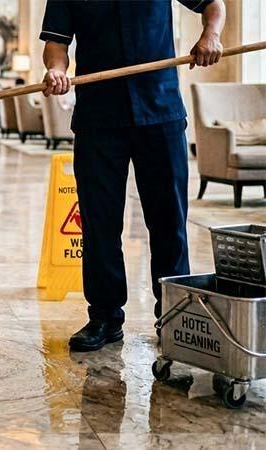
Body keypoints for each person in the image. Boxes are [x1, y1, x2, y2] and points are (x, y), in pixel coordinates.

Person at [40, 0, 226, 351]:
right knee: (99, 223)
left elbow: (214, 4)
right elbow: (56, 44)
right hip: (99, 117)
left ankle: (173, 314)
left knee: (169, 221)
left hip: (160, 111)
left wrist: (211, 36)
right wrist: (56, 70)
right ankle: (105, 317)